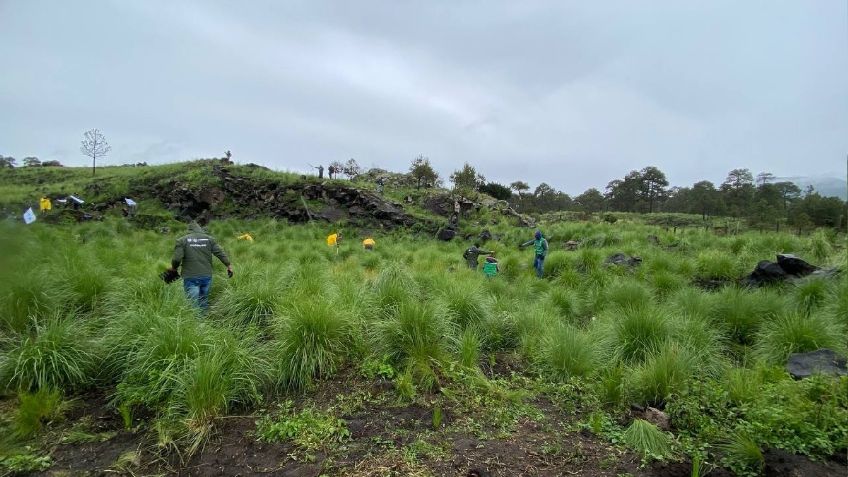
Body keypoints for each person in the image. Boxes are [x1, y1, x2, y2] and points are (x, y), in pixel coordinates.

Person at [168, 219, 233, 312]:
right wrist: (228, 266)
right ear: (200, 229)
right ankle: (203, 322)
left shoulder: (182, 240)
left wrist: (174, 268)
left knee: (193, 303)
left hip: (190, 276)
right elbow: (220, 253)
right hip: (206, 275)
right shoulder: (209, 239)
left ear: (189, 230)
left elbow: (176, 259)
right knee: (203, 300)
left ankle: (196, 324)